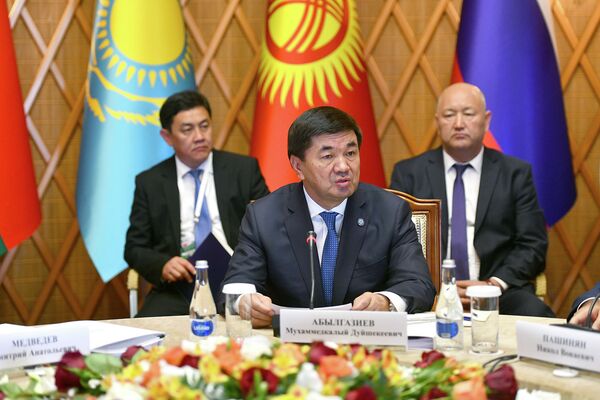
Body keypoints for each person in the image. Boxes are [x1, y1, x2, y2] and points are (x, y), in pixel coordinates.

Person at [221, 106, 436, 328]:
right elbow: (237, 284)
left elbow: (418, 284)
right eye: (328, 156)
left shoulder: (390, 211)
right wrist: (246, 303)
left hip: (366, 340)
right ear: (298, 166)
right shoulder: (264, 216)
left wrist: (385, 302)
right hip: (288, 344)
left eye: (350, 153)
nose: (343, 167)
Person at [390, 82, 554, 317]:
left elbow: (533, 244)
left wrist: (492, 285)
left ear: (486, 121)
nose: (458, 123)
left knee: (536, 314)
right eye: (449, 115)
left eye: (468, 114)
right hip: (429, 292)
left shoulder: (514, 174)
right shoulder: (409, 174)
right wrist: (437, 288)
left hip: (499, 291)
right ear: (437, 122)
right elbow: (396, 243)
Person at [124, 90, 269, 317]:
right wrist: (163, 264)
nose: (200, 136)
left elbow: (269, 229)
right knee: (149, 332)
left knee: (259, 325)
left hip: (236, 283)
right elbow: (134, 248)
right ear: (167, 137)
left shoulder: (243, 170)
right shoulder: (150, 182)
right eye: (187, 129)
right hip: (180, 288)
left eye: (204, 126)